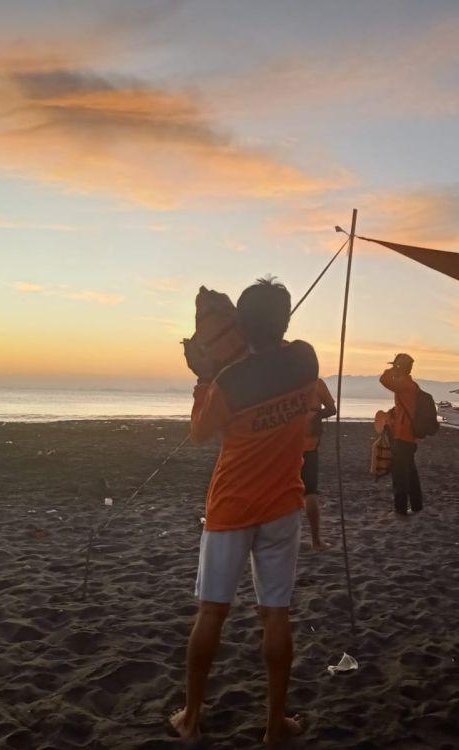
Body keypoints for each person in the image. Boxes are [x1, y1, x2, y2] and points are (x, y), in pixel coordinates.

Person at [173, 278, 317, 746]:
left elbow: (199, 433)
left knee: (212, 612)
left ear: (239, 324)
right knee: (275, 614)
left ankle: (191, 718)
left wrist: (201, 376)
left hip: (232, 506)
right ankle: (275, 726)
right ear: (287, 320)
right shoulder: (305, 359)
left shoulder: (228, 382)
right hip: (283, 506)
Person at [380, 352, 424, 516]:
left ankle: (400, 508)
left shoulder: (405, 383)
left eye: (397, 366)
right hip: (407, 435)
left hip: (403, 435)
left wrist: (392, 369)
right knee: (410, 472)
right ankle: (417, 505)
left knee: (399, 473)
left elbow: (383, 380)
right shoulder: (410, 384)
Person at [303, 378, 336, 550]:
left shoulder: (282, 380)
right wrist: (317, 415)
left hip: (285, 446)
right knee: (310, 492)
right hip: (308, 446)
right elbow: (332, 409)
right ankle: (316, 541)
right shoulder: (316, 383)